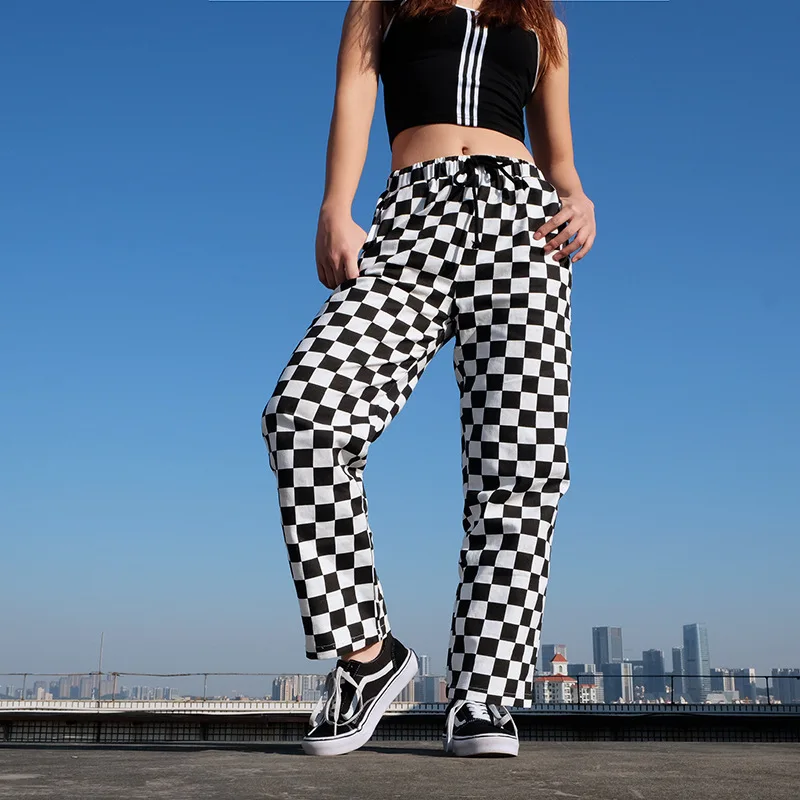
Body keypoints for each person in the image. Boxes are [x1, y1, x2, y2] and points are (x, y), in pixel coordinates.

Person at [261, 0, 596, 757]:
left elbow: (560, 156)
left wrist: (577, 198)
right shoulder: (382, 5)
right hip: (415, 216)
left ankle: (485, 691)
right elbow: (354, 96)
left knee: (520, 467)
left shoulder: (544, 24)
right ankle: (367, 655)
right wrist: (335, 206)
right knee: (304, 415)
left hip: (524, 228)